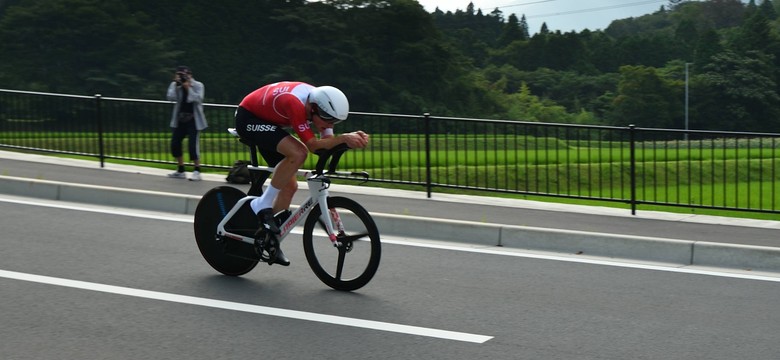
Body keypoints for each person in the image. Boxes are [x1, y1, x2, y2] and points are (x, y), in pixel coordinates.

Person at [235, 81, 369, 265]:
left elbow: (327, 143)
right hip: (249, 118)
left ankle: (269, 239)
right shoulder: (295, 103)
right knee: (299, 152)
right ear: (313, 109)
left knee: (289, 186)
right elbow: (313, 146)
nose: (329, 124)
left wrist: (347, 141)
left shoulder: (321, 108)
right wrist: (344, 138)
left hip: (270, 123)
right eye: (327, 119)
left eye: (334, 121)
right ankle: (262, 203)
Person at [166, 65, 207, 181]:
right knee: (175, 144)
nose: (182, 77)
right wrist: (176, 85)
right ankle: (180, 170)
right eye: (179, 75)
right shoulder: (175, 85)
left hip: (194, 120)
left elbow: (197, 99)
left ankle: (197, 170)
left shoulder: (198, 85)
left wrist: (188, 87)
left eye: (184, 75)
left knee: (192, 146)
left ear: (190, 75)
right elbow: (170, 97)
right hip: (180, 119)